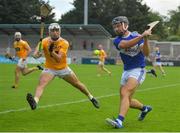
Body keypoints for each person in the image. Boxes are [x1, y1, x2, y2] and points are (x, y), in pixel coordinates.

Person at [26, 23, 100, 110]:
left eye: (56, 30)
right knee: (41, 84)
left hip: (63, 68)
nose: (55, 32)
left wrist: (51, 52)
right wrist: (36, 55)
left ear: (59, 31)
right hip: (49, 68)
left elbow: (59, 59)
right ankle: (35, 102)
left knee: (77, 84)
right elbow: (35, 55)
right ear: (49, 32)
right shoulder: (44, 41)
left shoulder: (64, 43)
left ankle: (91, 97)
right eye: (52, 30)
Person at [106, 16, 152, 128]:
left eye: (118, 26)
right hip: (126, 71)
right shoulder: (117, 40)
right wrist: (142, 36)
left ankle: (119, 121)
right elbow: (125, 45)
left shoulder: (137, 36)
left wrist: (145, 39)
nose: (116, 29)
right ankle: (145, 109)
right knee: (127, 100)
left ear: (125, 25)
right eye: (114, 27)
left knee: (125, 92)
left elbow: (146, 53)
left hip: (138, 70)